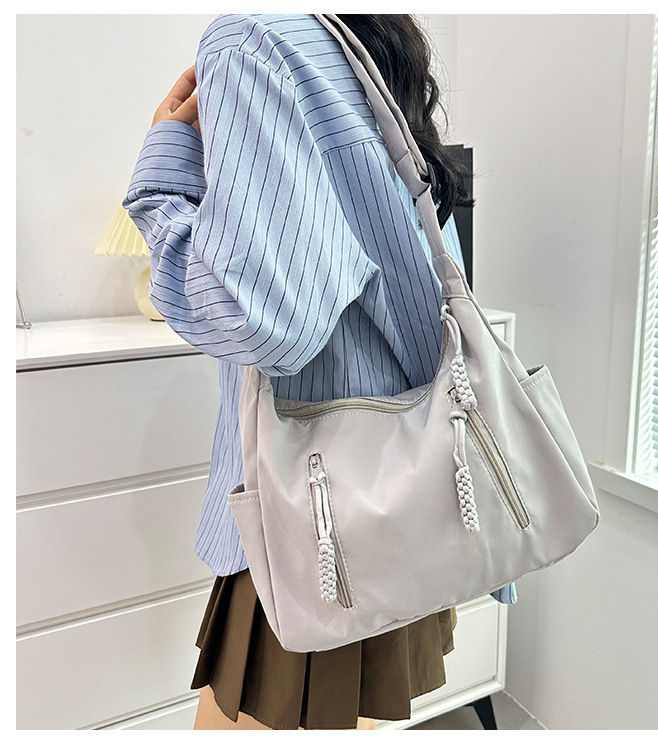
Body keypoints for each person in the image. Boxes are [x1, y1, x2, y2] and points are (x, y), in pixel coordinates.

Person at [124, 13, 502, 731]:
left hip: (316, 530)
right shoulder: (362, 36)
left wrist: (162, 175)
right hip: (412, 499)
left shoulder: (250, 41)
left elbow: (257, 320)